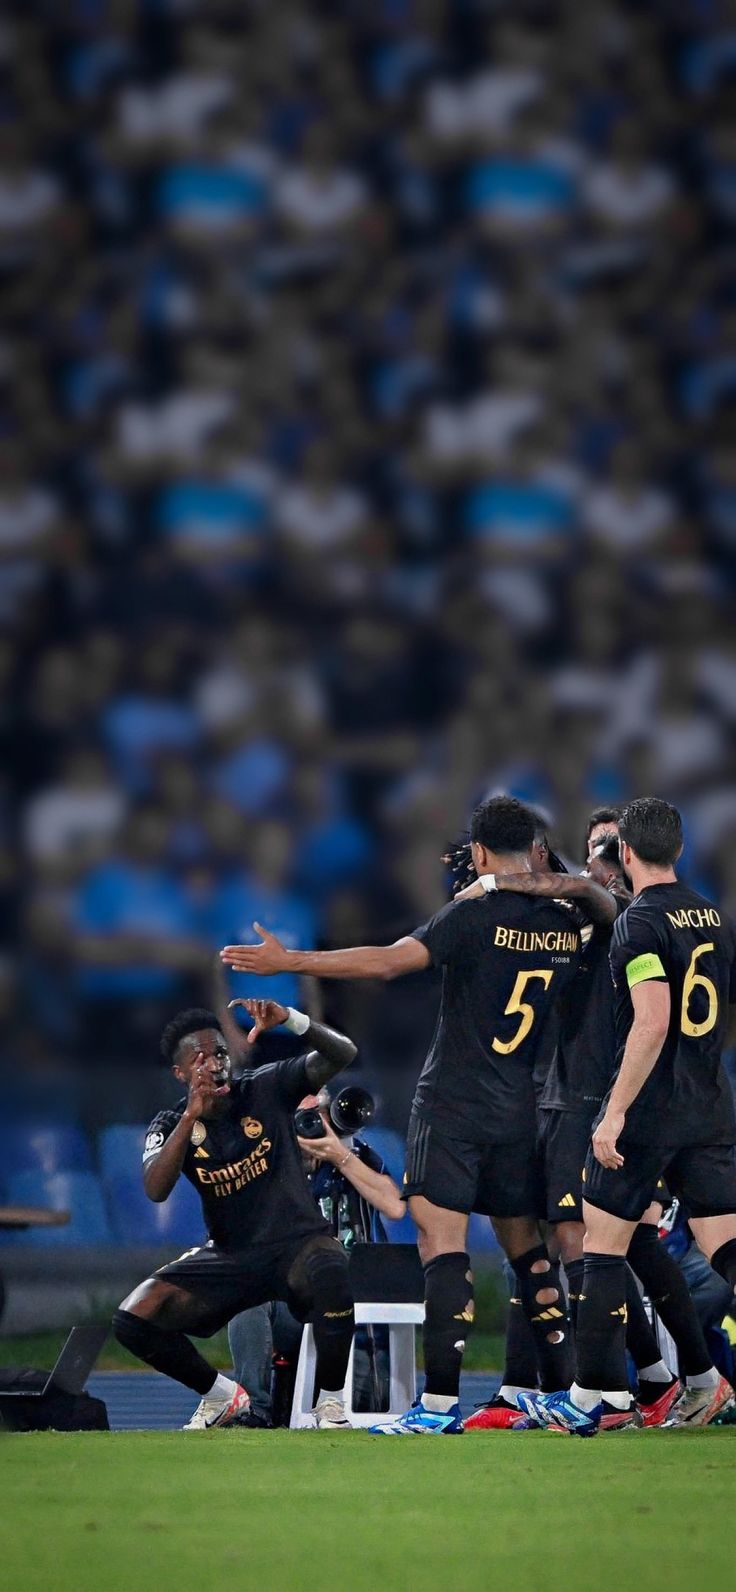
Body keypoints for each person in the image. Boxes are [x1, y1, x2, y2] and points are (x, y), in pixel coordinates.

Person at [222, 795, 604, 1434]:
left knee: (442, 1249)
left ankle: (437, 1405)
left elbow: (388, 962)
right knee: (527, 1254)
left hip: (454, 1104)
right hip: (521, 1107)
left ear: (479, 852)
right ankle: (571, 1395)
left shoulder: (471, 916)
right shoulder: (567, 923)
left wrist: (290, 962)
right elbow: (604, 909)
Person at [520, 796, 736, 1434]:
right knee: (725, 1247)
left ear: (628, 853)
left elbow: (653, 1019)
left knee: (602, 1247)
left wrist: (613, 1114)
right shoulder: (715, 918)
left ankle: (597, 1397)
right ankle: (693, 1386)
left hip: (649, 1112)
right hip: (711, 1105)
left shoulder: (638, 924)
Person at [112, 998, 359, 1430]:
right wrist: (191, 1115)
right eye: (200, 1058)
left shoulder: (266, 1087)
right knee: (132, 1318)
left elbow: (343, 1053)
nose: (215, 1064)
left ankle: (331, 1406)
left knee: (332, 1264)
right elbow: (155, 1189)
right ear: (180, 1073)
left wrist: (294, 1021)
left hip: (296, 1247)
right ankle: (223, 1396)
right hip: (231, 1256)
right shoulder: (171, 1123)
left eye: (221, 1052)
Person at [226, 1078, 404, 1426]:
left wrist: (339, 1156)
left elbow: (394, 1207)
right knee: (245, 1299)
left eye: (316, 1117)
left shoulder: (356, 1155)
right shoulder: (264, 1164)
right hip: (295, 1304)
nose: (309, 1128)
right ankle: (254, 1409)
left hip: (352, 1303)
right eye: (300, 1119)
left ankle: (330, 1403)